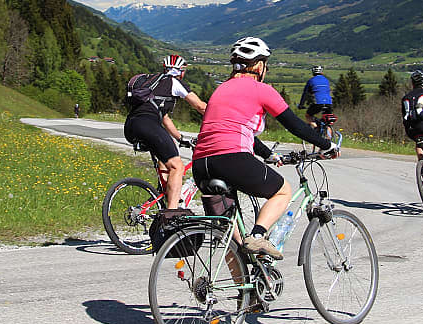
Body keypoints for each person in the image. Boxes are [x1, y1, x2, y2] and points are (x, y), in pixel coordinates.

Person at [192, 37, 338, 260]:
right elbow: (295, 125)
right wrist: (327, 145)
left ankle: (244, 291)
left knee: (231, 235)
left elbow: (237, 131)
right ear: (259, 66)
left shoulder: (220, 90)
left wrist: (267, 154)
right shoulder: (261, 90)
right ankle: (258, 235)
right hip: (231, 158)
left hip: (201, 164)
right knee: (283, 190)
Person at [123, 54, 206, 208]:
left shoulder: (153, 82)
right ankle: (172, 213)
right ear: (181, 71)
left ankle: (167, 196)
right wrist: (222, 116)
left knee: (165, 160)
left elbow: (165, 118)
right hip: (148, 125)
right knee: (177, 166)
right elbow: (200, 106)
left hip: (131, 125)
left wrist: (181, 138)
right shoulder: (174, 82)